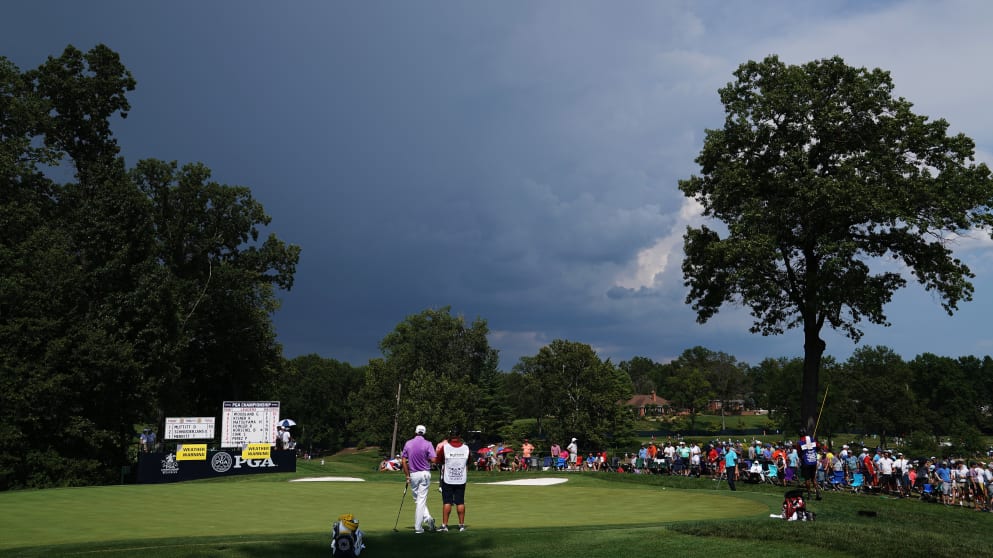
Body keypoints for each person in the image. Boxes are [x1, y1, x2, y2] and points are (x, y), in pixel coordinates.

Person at [401, 424, 437, 533]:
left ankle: (418, 527)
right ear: (424, 433)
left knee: (418, 500)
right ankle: (427, 519)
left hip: (413, 474)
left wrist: (407, 475)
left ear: (415, 432)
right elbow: (434, 460)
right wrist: (427, 460)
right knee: (420, 500)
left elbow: (403, 461)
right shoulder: (428, 444)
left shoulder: (408, 443)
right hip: (425, 474)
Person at [435, 429, 470, 532]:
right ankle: (461, 525)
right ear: (459, 436)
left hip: (448, 478)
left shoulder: (445, 447)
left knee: (447, 502)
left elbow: (439, 460)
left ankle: (445, 525)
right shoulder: (466, 448)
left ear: (450, 436)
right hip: (461, 479)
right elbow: (469, 461)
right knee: (460, 502)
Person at [798, 429, 822, 500]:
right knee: (814, 479)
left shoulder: (799, 442)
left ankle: (809, 495)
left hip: (806, 462)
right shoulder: (812, 439)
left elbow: (799, 453)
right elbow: (818, 447)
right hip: (813, 461)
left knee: (807, 479)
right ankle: (818, 493)